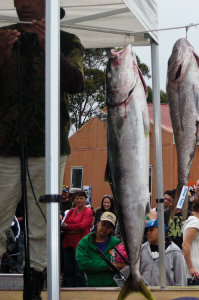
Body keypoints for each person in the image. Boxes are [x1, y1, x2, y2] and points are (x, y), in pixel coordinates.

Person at [0, 0, 84, 298]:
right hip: (5, 147)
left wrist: (51, 48)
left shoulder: (66, 39)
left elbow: (76, 84)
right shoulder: (3, 34)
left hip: (49, 147)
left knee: (40, 226)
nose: (23, 4)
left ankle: (34, 290)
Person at [76, 212, 125, 287]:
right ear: (97, 223)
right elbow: (83, 264)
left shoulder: (117, 244)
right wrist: (108, 265)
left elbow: (123, 265)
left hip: (113, 288)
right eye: (103, 224)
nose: (105, 228)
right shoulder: (84, 243)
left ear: (112, 229)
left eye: (109, 227)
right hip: (92, 288)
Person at [140, 219, 186, 286]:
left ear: (161, 231)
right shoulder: (142, 249)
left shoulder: (175, 252)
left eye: (151, 230)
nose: (148, 233)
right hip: (145, 293)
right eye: (147, 230)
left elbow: (181, 280)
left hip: (166, 294)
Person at [61, 190, 94, 287]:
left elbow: (83, 226)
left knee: (78, 269)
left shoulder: (88, 211)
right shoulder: (71, 211)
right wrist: (72, 228)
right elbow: (63, 224)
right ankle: (68, 291)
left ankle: (80, 291)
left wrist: (69, 227)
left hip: (80, 244)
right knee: (68, 269)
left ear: (85, 199)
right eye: (77, 198)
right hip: (68, 242)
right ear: (74, 199)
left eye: (81, 198)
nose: (79, 200)